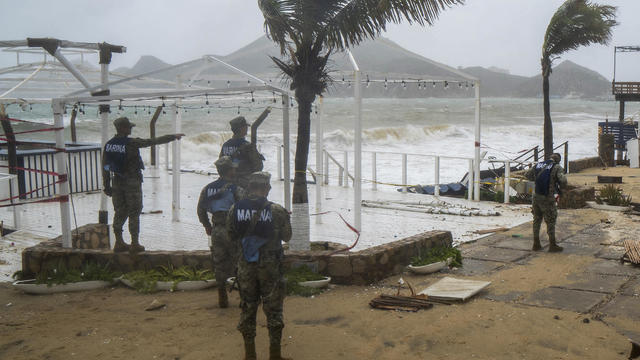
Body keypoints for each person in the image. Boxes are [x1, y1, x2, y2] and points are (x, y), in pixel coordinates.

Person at [227, 171, 292, 360]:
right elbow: (287, 237)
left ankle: (250, 354)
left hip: (246, 267)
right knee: (274, 310)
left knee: (248, 308)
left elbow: (230, 237)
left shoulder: (235, 209)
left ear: (249, 187)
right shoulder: (277, 210)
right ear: (267, 188)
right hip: (271, 268)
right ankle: (275, 354)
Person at [103, 117, 184, 253]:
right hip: (132, 183)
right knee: (134, 212)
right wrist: (172, 137)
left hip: (116, 182)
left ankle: (119, 242)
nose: (130, 129)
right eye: (129, 127)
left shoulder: (109, 144)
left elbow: (105, 166)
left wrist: (106, 185)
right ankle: (135, 243)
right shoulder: (131, 143)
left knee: (119, 212)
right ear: (123, 128)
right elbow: (152, 141)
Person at [196, 156, 244, 308]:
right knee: (240, 263)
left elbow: (200, 209)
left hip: (216, 230)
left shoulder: (208, 188)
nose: (235, 170)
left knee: (219, 264)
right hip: (233, 230)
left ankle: (222, 297)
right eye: (233, 168)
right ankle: (244, 298)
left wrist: (207, 225)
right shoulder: (236, 188)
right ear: (229, 170)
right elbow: (243, 209)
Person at [524, 153, 568, 252]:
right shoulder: (557, 167)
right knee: (551, 220)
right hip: (547, 197)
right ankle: (552, 245)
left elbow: (527, 175)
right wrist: (560, 186)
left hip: (536, 196)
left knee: (537, 219)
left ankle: (536, 244)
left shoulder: (539, 164)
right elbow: (563, 180)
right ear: (558, 160)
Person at [220, 116, 264, 188]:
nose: (247, 129)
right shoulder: (248, 146)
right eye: (246, 127)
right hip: (244, 184)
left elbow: (221, 164)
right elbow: (258, 167)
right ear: (242, 128)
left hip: (228, 183)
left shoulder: (225, 145)